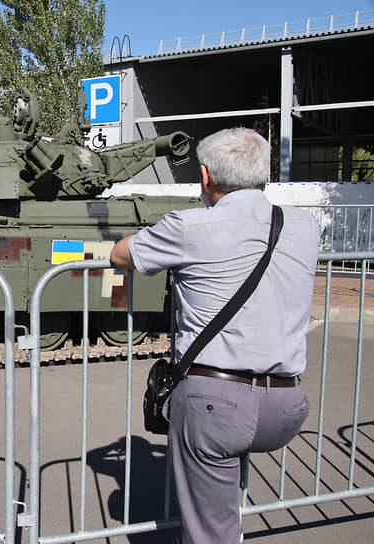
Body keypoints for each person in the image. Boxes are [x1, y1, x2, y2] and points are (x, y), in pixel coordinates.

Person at [110, 128, 319, 544]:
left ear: (205, 176)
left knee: (210, 533)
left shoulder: (190, 227)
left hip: (215, 406)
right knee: (224, 503)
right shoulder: (304, 225)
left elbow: (122, 252)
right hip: (285, 404)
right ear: (265, 174)